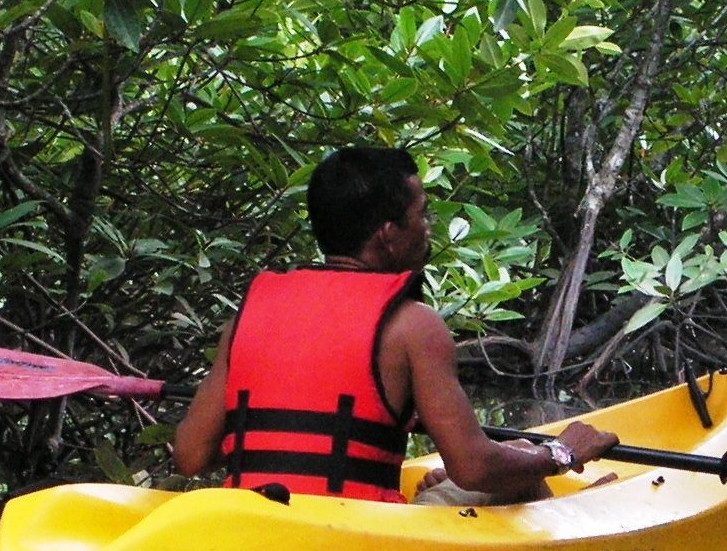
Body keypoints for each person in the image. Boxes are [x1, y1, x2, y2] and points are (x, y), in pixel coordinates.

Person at [170, 145, 616, 503]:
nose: (427, 228)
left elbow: (190, 456)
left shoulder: (250, 314)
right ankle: (576, 512)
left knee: (515, 456)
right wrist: (561, 452)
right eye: (421, 214)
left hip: (256, 524)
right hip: (361, 537)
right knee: (520, 463)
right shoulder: (412, 327)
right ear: (388, 233)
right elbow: (475, 467)